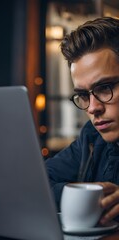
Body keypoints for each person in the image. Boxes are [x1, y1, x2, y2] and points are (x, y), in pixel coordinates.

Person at [45, 16, 119, 226]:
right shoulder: (91, 136)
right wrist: (86, 197)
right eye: (84, 95)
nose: (93, 108)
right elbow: (37, 183)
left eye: (105, 88)